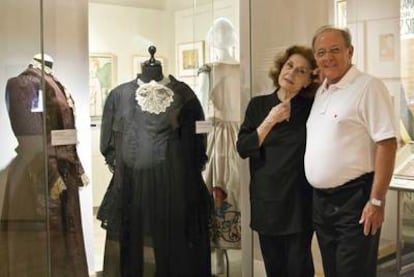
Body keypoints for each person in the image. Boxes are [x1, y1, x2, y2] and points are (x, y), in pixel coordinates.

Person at [99, 46, 211, 277]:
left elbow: (197, 142)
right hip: (133, 186)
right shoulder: (119, 95)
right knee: (135, 246)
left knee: (178, 245)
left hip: (177, 188)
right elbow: (108, 144)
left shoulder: (185, 94)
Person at [305, 25, 397, 277]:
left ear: (350, 51)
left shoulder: (368, 87)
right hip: (322, 202)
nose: (327, 57)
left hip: (355, 200)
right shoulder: (322, 91)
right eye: (321, 52)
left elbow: (387, 144)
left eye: (335, 50)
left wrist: (376, 200)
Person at [1, 53, 89, 276]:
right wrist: (49, 175)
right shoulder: (22, 84)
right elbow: (29, 136)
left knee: (67, 239)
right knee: (48, 241)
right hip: (38, 174)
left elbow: (66, 132)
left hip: (63, 171)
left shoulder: (54, 81)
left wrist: (76, 167)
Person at [237, 45, 318, 277]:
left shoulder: (313, 108)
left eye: (301, 71)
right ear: (281, 68)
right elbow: (243, 147)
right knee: (274, 267)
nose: (291, 73)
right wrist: (269, 121)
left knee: (299, 267)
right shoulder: (258, 105)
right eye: (289, 65)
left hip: (298, 202)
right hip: (266, 202)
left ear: (308, 80)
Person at [197, 17, 241, 275]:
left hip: (218, 134)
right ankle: (225, 253)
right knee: (231, 187)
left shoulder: (209, 69)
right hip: (238, 134)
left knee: (217, 186)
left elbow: (200, 110)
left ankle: (220, 254)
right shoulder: (242, 66)